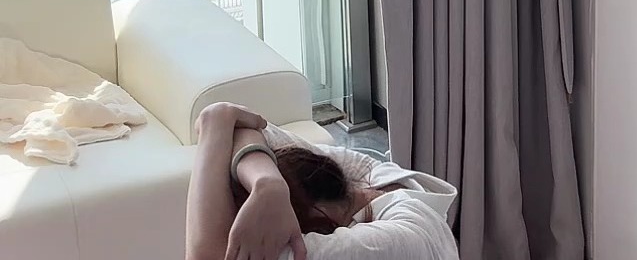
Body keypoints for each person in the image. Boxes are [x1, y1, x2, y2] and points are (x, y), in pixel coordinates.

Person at [185, 101, 460, 260]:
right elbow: (240, 127)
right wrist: (267, 183)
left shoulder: (400, 241)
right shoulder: (350, 173)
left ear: (318, 218)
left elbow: (210, 256)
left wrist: (215, 119)